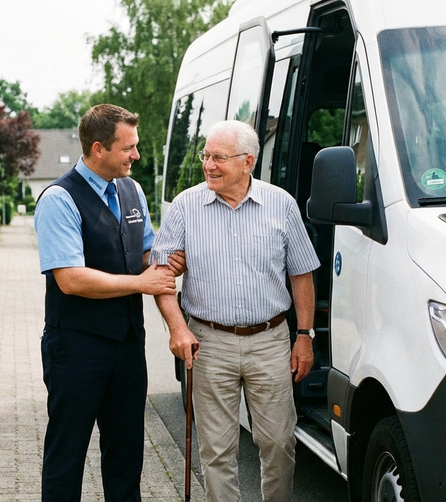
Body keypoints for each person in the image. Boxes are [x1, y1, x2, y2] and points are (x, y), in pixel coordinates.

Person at [151, 120, 321, 502]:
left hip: (270, 340)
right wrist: (178, 329)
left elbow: (302, 274)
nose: (208, 165)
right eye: (206, 156)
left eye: (218, 158)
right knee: (217, 452)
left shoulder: (281, 204)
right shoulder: (185, 206)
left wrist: (304, 336)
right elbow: (160, 277)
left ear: (248, 161)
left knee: (278, 443)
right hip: (209, 342)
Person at [34, 103, 181, 502]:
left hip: (128, 345)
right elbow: (70, 279)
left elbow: (149, 254)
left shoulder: (132, 190)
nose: (136, 155)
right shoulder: (59, 199)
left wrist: (175, 261)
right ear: (98, 149)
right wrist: (140, 282)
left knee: (126, 453)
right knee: (67, 455)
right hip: (76, 347)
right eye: (128, 148)